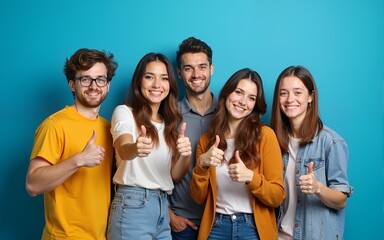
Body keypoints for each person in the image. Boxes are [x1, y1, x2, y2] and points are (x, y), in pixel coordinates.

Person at [25, 48, 118, 239]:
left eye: (100, 79)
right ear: (72, 85)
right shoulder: (54, 125)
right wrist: (78, 160)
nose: (94, 86)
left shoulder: (110, 128)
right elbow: (32, 185)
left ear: (108, 85)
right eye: (85, 79)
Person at [190, 68, 285, 240]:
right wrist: (201, 166)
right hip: (216, 227)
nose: (243, 102)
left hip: (253, 228)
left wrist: (251, 177)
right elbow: (198, 198)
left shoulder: (265, 136)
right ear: (227, 93)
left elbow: (277, 196)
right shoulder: (206, 141)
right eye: (238, 92)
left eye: (251, 98)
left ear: (255, 105)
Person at [107, 52, 192, 240]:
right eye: (149, 77)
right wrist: (135, 148)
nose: (156, 85)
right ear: (139, 81)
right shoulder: (124, 112)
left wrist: (186, 155)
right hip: (133, 205)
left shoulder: (168, 123)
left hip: (162, 208)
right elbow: (123, 148)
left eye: (164, 78)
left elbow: (174, 175)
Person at [270, 65, 353, 240]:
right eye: (283, 93)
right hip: (279, 235)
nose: (290, 99)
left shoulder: (331, 142)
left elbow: (341, 200)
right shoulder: (273, 141)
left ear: (310, 97)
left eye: (298, 92)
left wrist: (318, 188)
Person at [169, 36, 217, 240]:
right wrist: (169, 216)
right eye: (188, 68)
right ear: (179, 73)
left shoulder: (231, 112)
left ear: (211, 69)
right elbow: (155, 171)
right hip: (183, 224)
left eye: (202, 67)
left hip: (220, 222)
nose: (196, 74)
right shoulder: (170, 116)